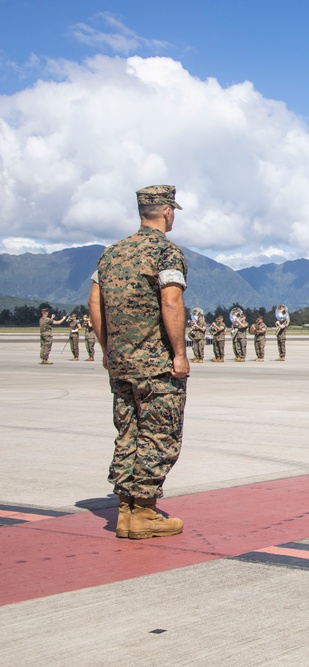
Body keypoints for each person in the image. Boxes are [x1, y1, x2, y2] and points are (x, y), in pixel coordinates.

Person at [88, 184, 188, 540]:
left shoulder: (111, 253)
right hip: (156, 364)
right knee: (159, 432)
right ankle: (144, 512)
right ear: (166, 211)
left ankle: (127, 510)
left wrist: (107, 348)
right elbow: (172, 302)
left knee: (127, 430)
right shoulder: (166, 253)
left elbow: (95, 302)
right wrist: (179, 353)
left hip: (120, 362)